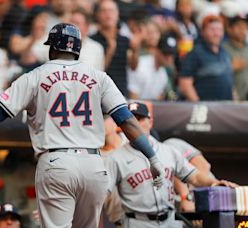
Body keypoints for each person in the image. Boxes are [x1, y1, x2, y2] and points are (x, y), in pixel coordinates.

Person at [0, 23, 166, 228]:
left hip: (56, 164)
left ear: (51, 49)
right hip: (94, 165)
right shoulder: (99, 77)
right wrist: (153, 157)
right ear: (77, 49)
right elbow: (127, 120)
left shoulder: (35, 76)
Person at [105, 101, 237, 228]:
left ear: (150, 122)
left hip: (170, 220)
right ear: (123, 127)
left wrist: (214, 183)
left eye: (140, 119)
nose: (136, 125)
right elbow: (101, 195)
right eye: (131, 121)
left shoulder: (169, 151)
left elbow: (195, 177)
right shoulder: (116, 158)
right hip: (137, 221)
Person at [91, 0, 140, 97]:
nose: (108, 14)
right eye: (104, 11)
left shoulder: (125, 40)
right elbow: (95, 73)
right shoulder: (92, 41)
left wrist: (135, 50)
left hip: (121, 91)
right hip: (101, 93)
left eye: (111, 11)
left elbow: (133, 67)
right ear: (97, 15)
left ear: (117, 15)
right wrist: (110, 51)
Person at [178, 15, 233, 101]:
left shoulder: (224, 52)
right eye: (212, 29)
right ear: (202, 31)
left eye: (219, 30)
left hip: (225, 108)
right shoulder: (195, 53)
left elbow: (229, 82)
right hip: (206, 109)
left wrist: (235, 103)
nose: (216, 33)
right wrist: (199, 106)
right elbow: (185, 83)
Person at [70, 7, 105, 71]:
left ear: (86, 27)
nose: (72, 26)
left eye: (77, 23)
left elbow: (99, 76)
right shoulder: (57, 44)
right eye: (71, 22)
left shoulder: (97, 48)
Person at [223, 15, 248, 100]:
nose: (243, 30)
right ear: (229, 29)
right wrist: (230, 67)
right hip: (229, 99)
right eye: (239, 26)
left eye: (245, 27)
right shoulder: (221, 49)